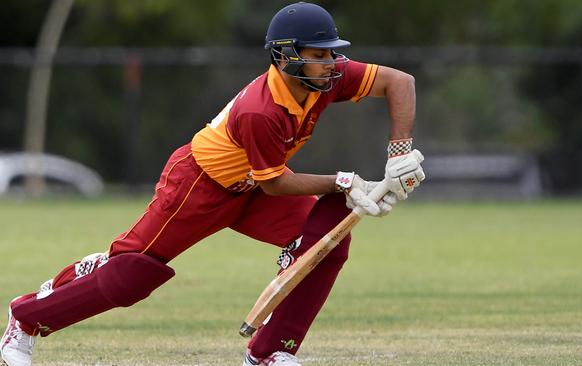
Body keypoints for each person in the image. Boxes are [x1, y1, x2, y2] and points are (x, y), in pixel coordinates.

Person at [0, 3, 425, 366]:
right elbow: (277, 183)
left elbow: (398, 83)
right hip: (199, 185)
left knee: (326, 243)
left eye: (333, 53)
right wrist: (345, 182)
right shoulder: (262, 110)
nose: (332, 63)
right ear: (286, 56)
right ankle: (25, 319)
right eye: (320, 54)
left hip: (252, 189)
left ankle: (269, 353)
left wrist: (400, 152)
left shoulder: (324, 79)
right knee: (128, 278)